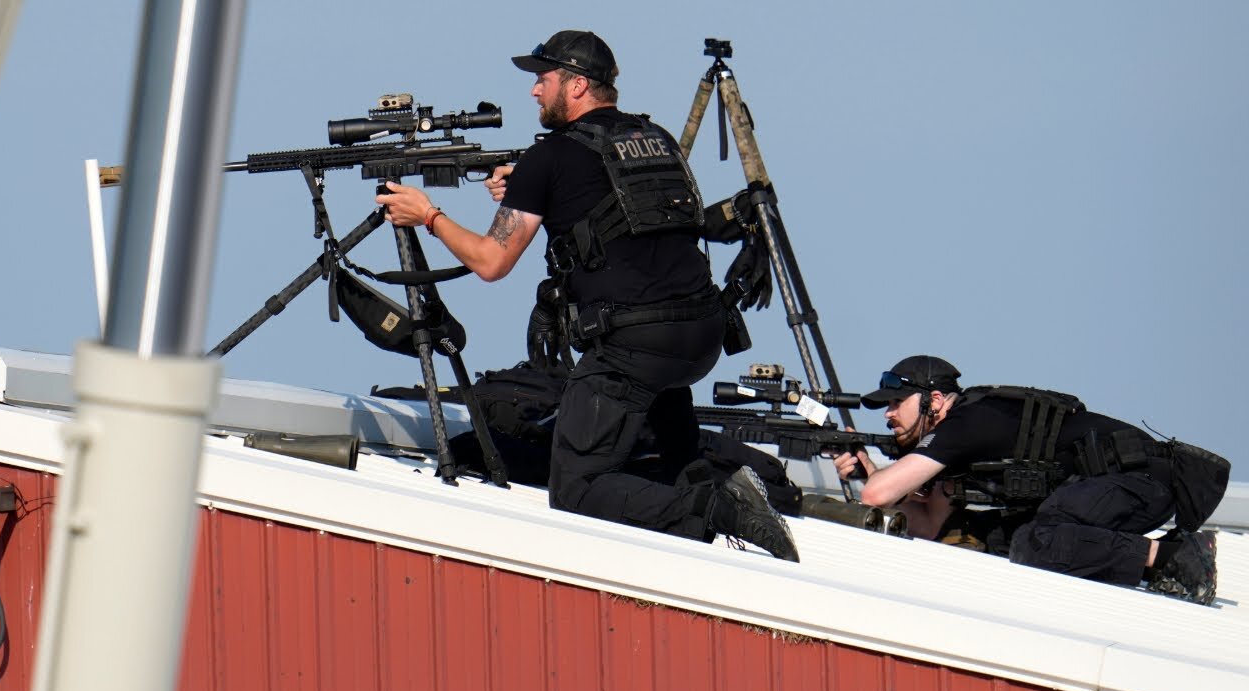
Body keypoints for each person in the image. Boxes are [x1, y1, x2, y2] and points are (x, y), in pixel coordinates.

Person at [376, 30, 798, 562]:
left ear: (576, 86)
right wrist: (533, 189)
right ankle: (720, 492)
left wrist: (428, 216)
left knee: (576, 489)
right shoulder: (656, 138)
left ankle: (723, 511)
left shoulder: (549, 158)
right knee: (671, 457)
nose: (533, 91)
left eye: (542, 79)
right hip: (700, 332)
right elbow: (618, 209)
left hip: (633, 344)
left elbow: (491, 261)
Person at [833, 355, 1223, 604]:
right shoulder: (961, 437)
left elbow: (876, 493)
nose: (888, 414)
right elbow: (933, 524)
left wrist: (874, 476)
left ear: (934, 401)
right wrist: (877, 478)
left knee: (1038, 540)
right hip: (1115, 488)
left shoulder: (965, 424)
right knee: (989, 533)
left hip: (1141, 479)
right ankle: (1158, 557)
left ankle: (1174, 558)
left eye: (895, 403)